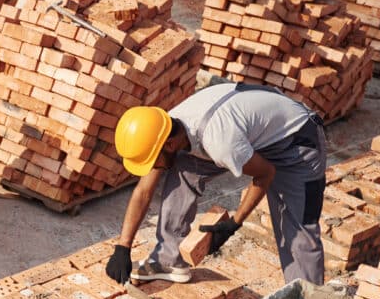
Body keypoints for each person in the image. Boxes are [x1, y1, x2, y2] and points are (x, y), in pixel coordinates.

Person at [104, 82, 327, 286]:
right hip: (249, 130)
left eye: (152, 160)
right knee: (181, 166)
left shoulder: (219, 142)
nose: (153, 166)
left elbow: (266, 174)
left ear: (169, 144)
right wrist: (123, 247)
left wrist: (234, 223)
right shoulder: (165, 128)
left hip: (298, 142)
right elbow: (143, 191)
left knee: (298, 231)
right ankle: (169, 259)